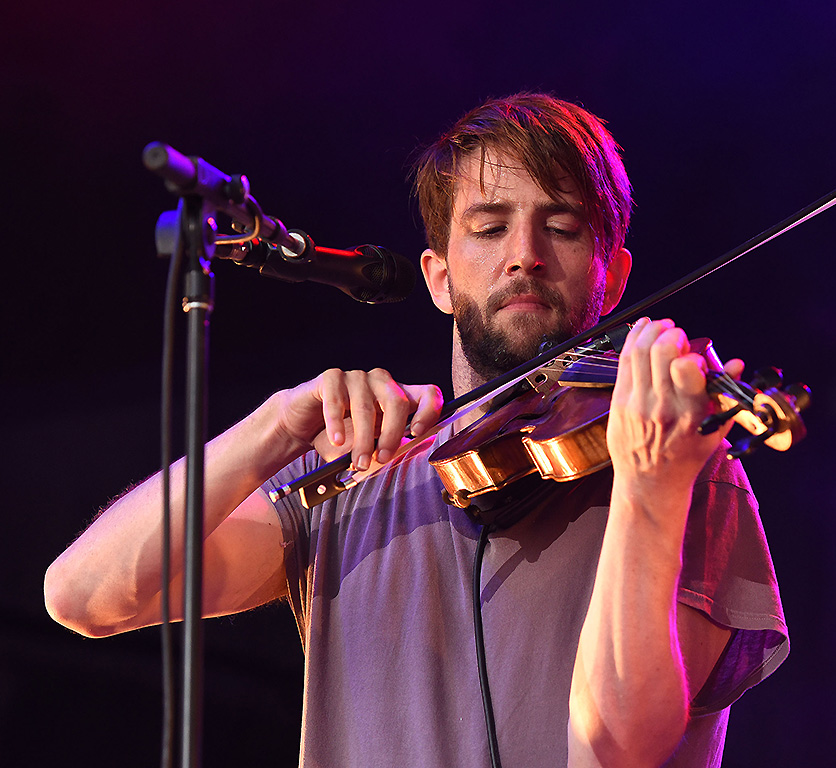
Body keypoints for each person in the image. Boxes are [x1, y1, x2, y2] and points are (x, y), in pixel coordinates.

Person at [45, 93, 788, 767]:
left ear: (613, 277)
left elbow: (618, 747)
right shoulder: (354, 476)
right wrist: (276, 425)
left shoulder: (681, 466)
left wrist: (651, 487)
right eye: (490, 227)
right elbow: (83, 596)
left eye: (560, 226)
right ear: (439, 277)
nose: (523, 253)